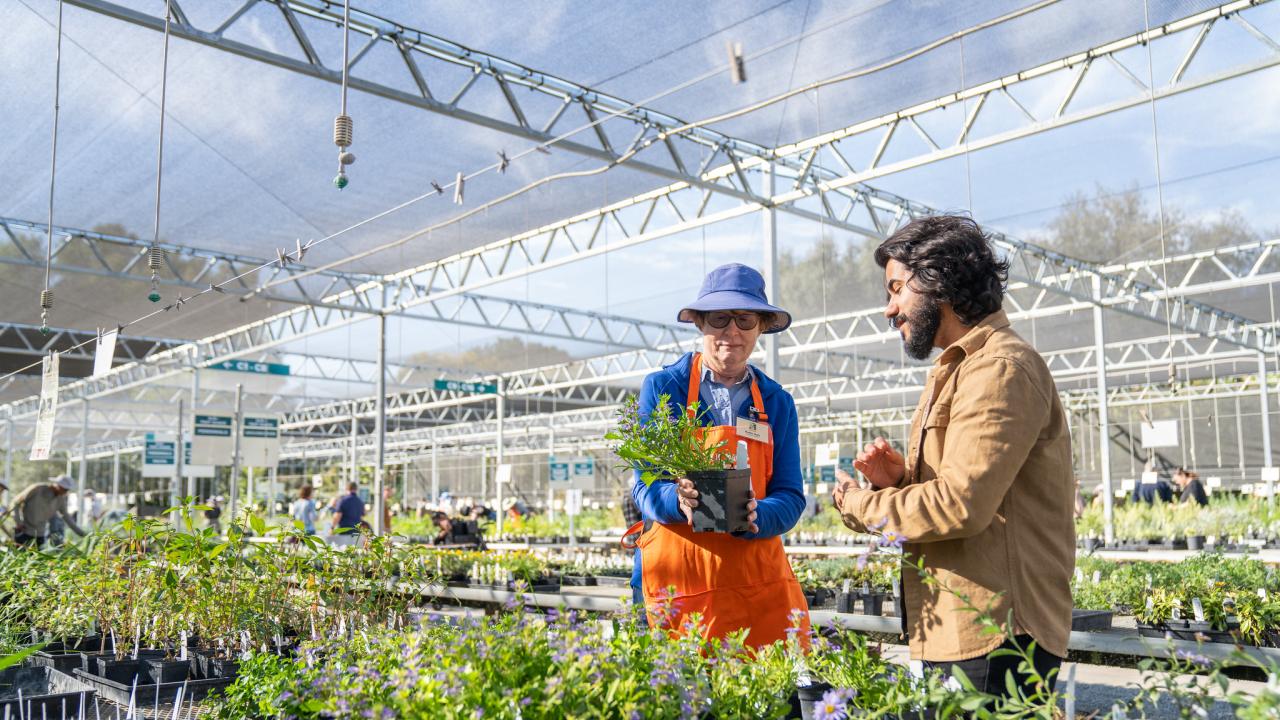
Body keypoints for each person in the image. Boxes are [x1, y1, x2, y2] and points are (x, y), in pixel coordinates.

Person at [831, 216, 1073, 700]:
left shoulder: (999, 369)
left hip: (999, 635)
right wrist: (897, 482)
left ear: (937, 279)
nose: (889, 309)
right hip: (964, 626)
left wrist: (859, 503)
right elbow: (968, 488)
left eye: (896, 288)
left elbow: (959, 504)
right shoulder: (958, 369)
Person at [627, 262, 809, 649]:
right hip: (680, 577)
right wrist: (675, 499)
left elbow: (791, 495)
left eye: (745, 319)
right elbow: (644, 483)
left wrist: (759, 514)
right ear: (700, 324)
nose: (732, 331)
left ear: (761, 326)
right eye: (719, 318)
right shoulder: (664, 388)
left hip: (754, 579)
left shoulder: (777, 402)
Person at [9, 476, 88, 547]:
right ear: (57, 485)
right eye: (64, 489)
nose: (65, 492)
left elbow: (66, 517)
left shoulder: (60, 499)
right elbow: (15, 503)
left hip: (40, 534)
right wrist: (18, 522)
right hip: (24, 531)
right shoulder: (37, 489)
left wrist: (83, 534)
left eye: (67, 490)